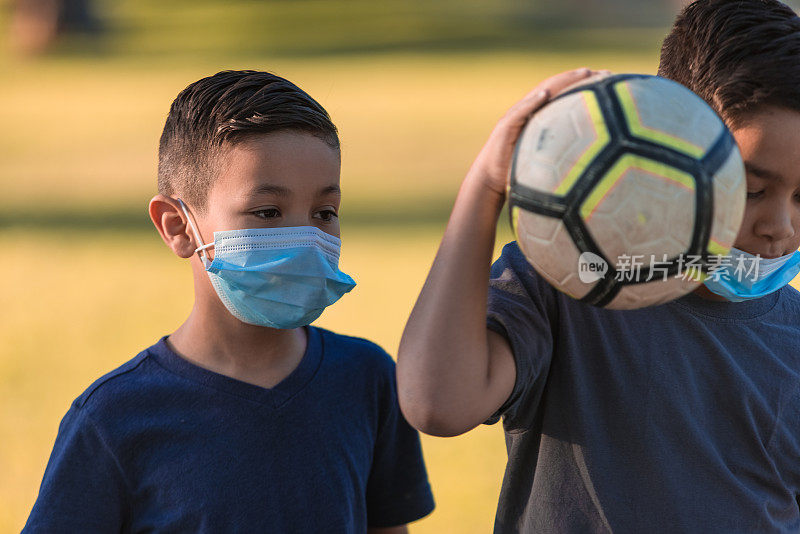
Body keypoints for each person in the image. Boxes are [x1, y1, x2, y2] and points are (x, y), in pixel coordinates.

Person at [397, 0, 800, 531]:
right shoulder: (573, 278)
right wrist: (487, 187)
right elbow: (437, 405)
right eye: (750, 190)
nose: (781, 227)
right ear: (667, 150)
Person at [24, 70, 434, 533]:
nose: (304, 238)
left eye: (324, 213)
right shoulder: (112, 419)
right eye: (267, 212)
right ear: (178, 227)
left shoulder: (367, 380)